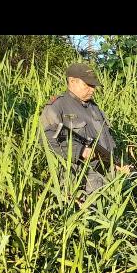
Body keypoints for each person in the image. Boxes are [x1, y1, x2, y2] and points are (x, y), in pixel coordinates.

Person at [39, 62, 129, 198]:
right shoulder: (58, 106)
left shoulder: (94, 108)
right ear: (72, 81)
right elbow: (46, 138)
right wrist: (80, 151)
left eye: (93, 85)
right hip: (79, 180)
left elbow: (105, 141)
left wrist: (115, 164)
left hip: (104, 176)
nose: (92, 89)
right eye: (88, 85)